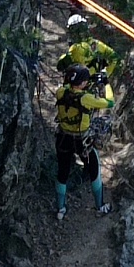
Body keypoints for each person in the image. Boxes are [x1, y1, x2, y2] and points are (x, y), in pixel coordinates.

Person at [54, 65, 111, 221]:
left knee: (62, 171)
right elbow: (110, 102)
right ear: (83, 82)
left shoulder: (61, 92)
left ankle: (61, 208)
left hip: (63, 138)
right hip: (81, 141)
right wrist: (106, 84)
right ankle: (100, 206)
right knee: (94, 169)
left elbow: (68, 87)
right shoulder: (86, 99)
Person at [56, 14, 118, 97]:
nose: (80, 34)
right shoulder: (95, 45)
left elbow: (113, 57)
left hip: (90, 86)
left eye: (80, 30)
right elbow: (60, 67)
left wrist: (105, 73)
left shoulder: (93, 46)